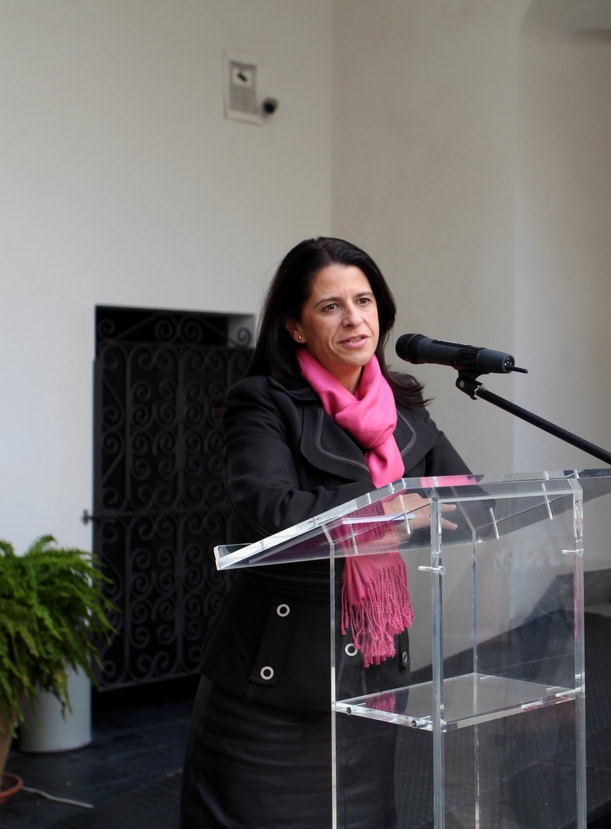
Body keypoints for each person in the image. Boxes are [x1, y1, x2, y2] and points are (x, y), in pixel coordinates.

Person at [180, 237, 471, 829]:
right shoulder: (262, 402)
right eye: (330, 305)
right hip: (277, 683)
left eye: (363, 300)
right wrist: (391, 511)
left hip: (370, 670)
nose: (354, 318)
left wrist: (422, 512)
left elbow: (462, 502)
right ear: (295, 326)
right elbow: (271, 508)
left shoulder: (404, 408)